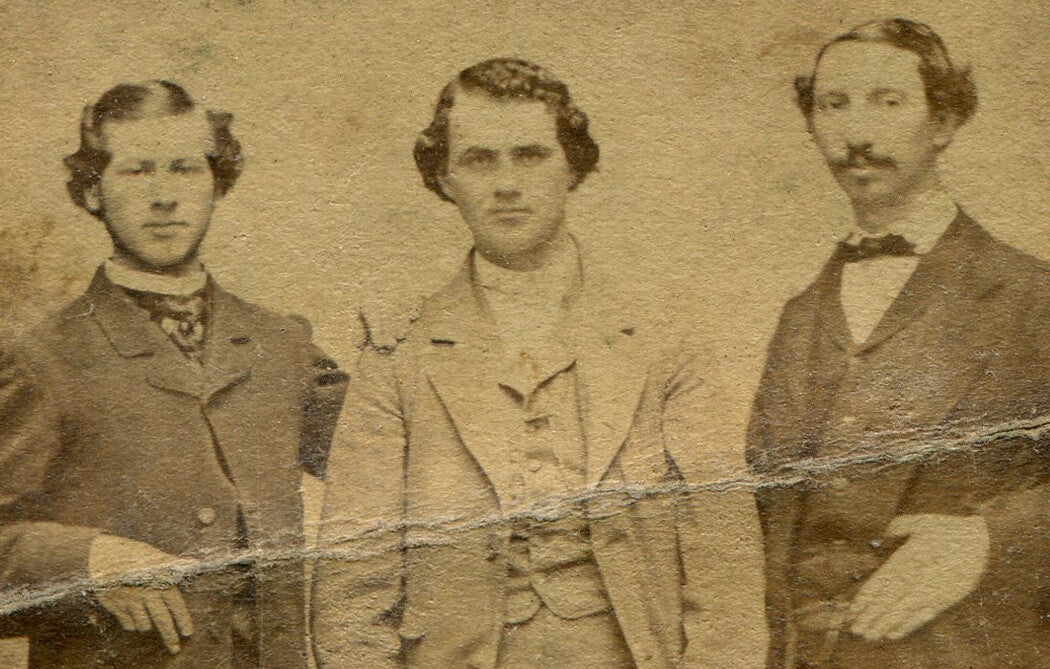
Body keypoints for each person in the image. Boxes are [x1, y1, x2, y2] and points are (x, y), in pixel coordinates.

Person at [311, 58, 766, 669]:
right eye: (479, 160)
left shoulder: (663, 336)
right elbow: (352, 584)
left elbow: (724, 554)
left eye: (530, 156)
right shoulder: (400, 352)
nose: (506, 184)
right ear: (444, 176)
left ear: (572, 166)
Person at [0, 80, 347, 668]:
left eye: (185, 169)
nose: (164, 197)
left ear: (217, 182)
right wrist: (88, 560)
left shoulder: (284, 346)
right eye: (137, 171)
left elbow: (403, 468)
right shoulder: (41, 359)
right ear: (93, 190)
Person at [747, 18, 1050, 668]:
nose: (857, 133)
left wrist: (991, 540)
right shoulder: (799, 317)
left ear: (943, 121)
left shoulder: (1032, 296)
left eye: (887, 102)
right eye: (834, 105)